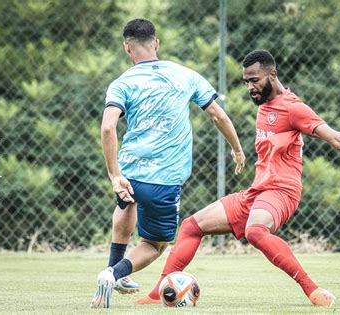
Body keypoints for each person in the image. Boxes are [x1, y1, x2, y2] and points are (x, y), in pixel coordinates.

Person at [135, 49, 340, 307]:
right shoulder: (263, 105)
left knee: (255, 231)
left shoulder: (294, 108)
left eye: (255, 80)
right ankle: (156, 295)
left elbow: (339, 140)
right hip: (258, 191)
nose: (250, 87)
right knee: (191, 226)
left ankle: (313, 291)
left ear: (272, 75)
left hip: (282, 191)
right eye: (246, 81)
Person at [90, 18, 246, 308]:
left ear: (127, 48)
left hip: (129, 171)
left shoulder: (122, 83)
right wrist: (237, 150)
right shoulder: (186, 75)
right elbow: (218, 116)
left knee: (126, 203)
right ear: (157, 43)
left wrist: (114, 175)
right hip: (164, 179)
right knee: (154, 245)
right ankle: (115, 272)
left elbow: (108, 128)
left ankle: (115, 270)